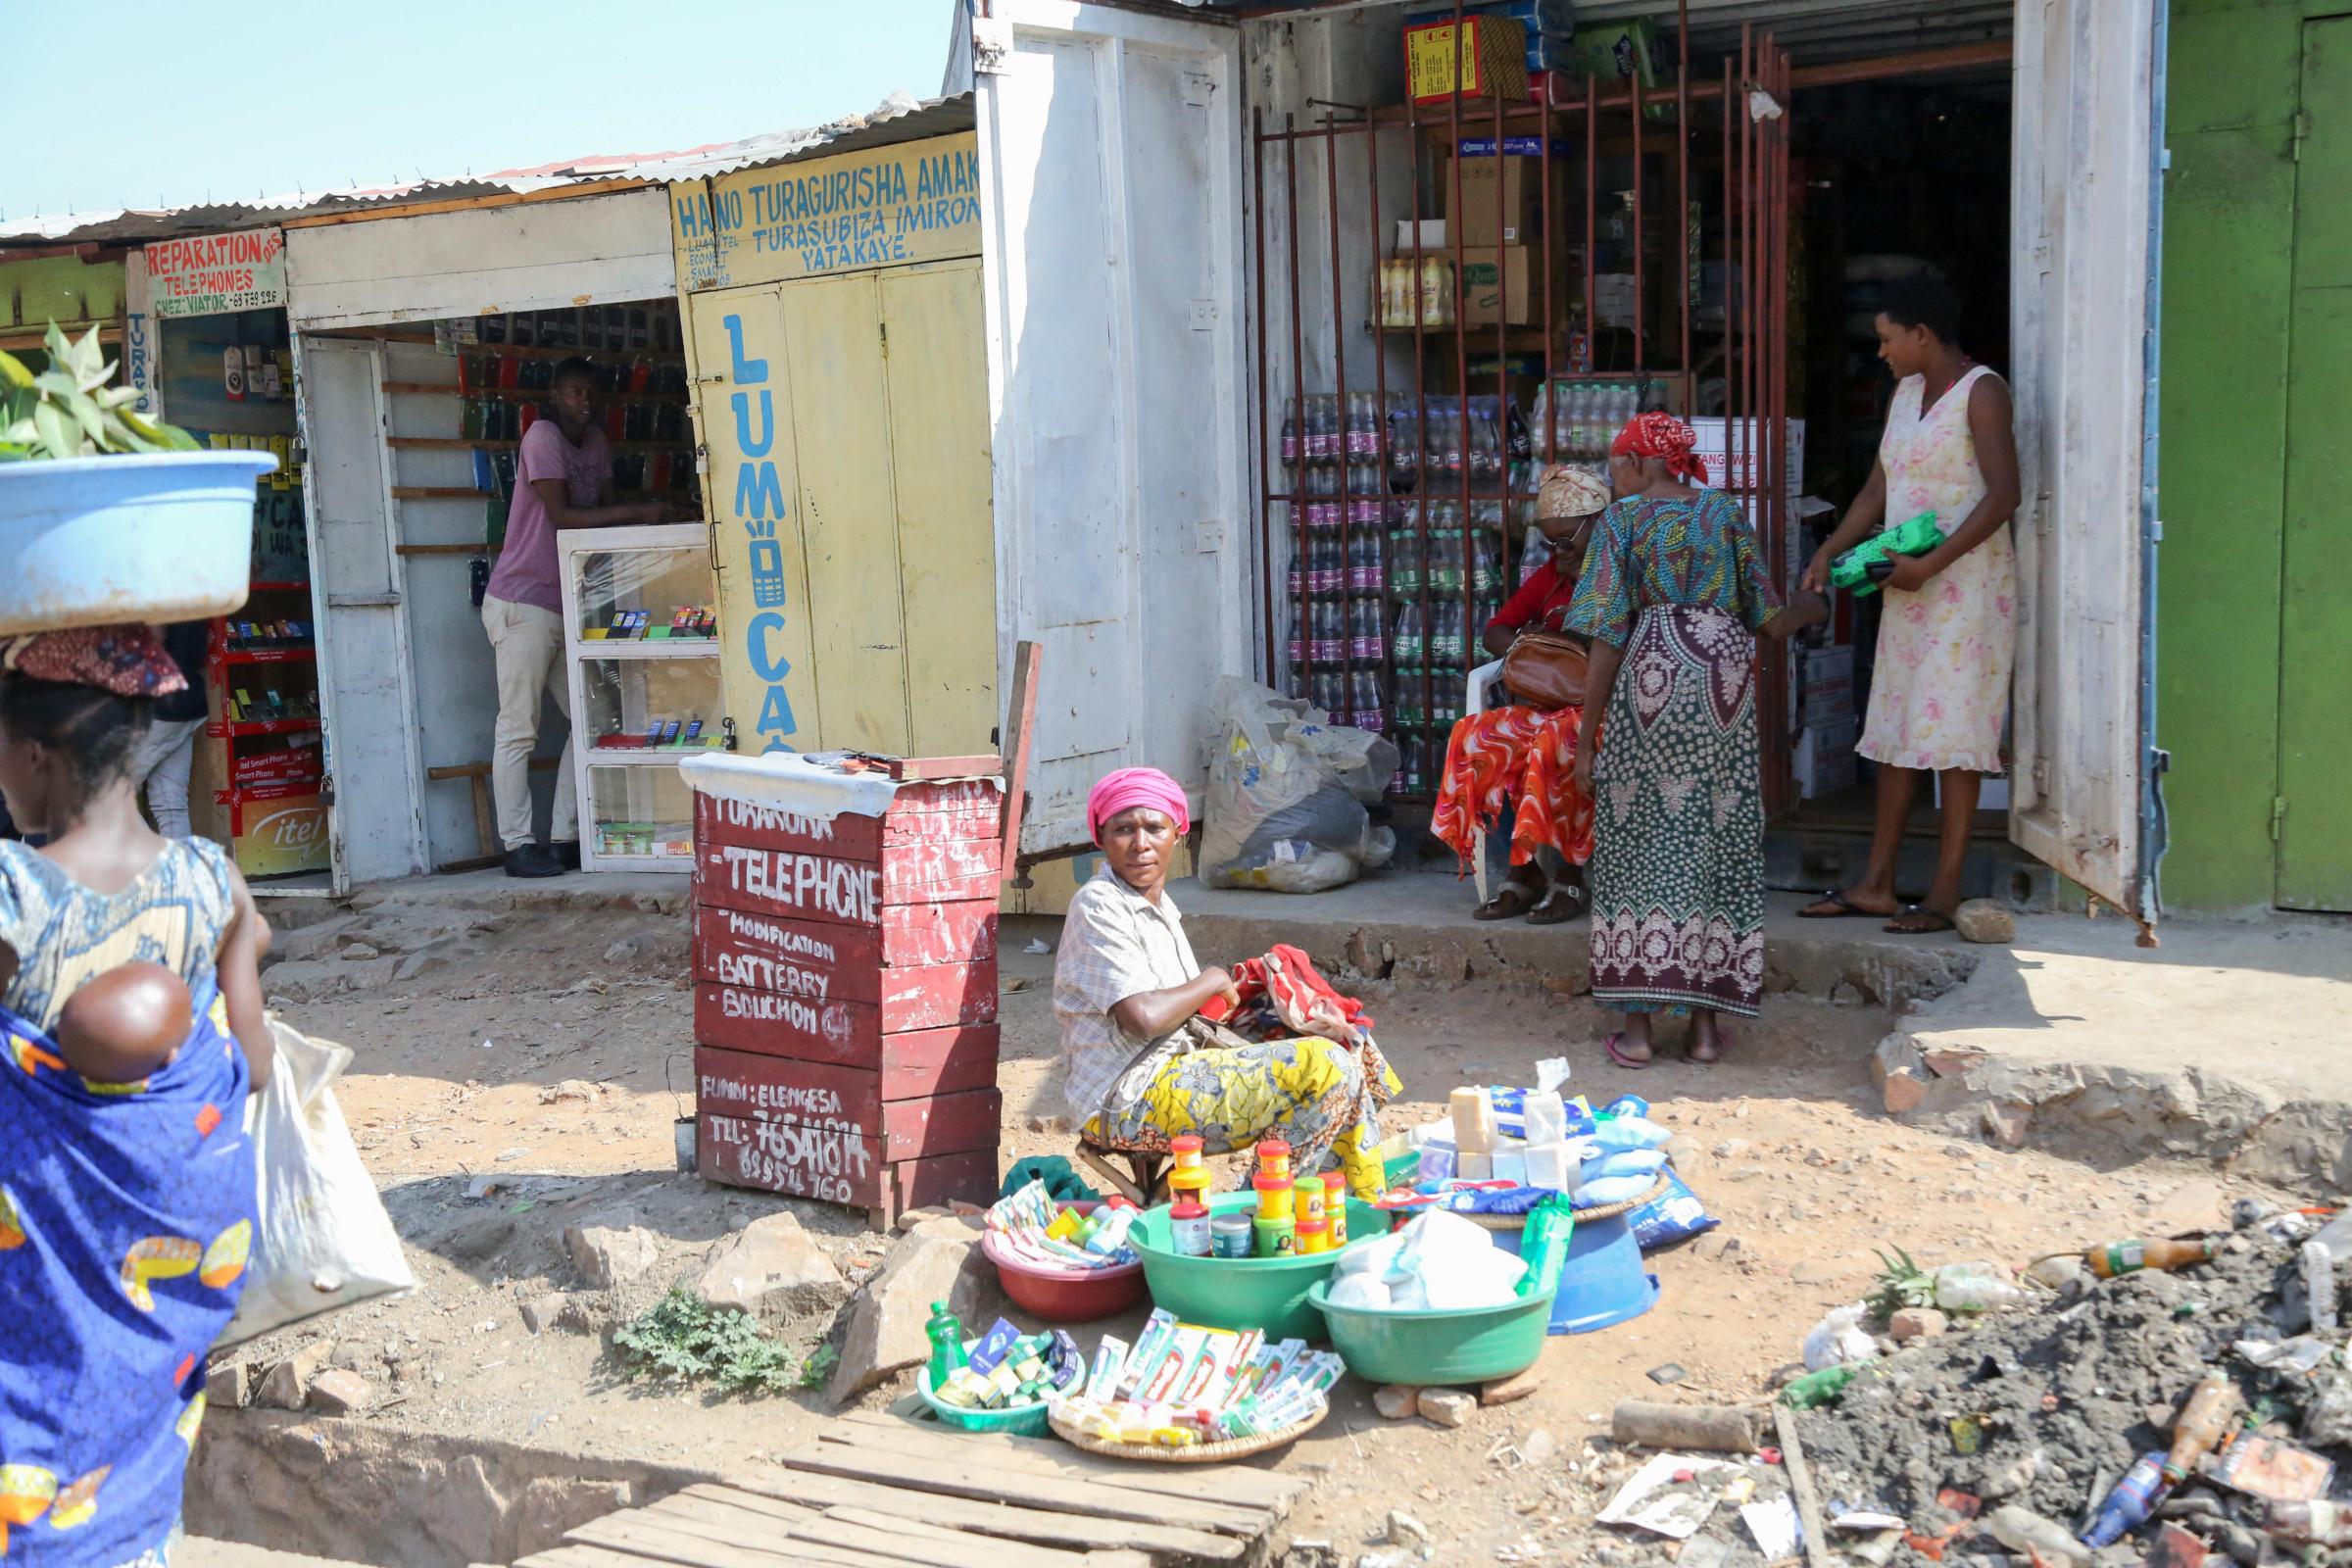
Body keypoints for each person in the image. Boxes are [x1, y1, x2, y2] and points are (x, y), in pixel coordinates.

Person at [0, 623, 274, 1568]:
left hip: (41, 1256)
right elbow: (254, 1063)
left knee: (28, 1429)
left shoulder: (15, 896)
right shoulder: (211, 878)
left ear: (35, 755)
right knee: (126, 1454)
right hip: (163, 1265)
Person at [1566, 415, 1825, 1066]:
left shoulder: (1623, 522)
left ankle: (1638, 1033)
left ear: (1635, 462)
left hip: (1652, 678)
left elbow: (1604, 634)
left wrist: (1588, 739)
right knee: (1715, 837)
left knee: (1638, 841)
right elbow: (1768, 621)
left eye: (1614, 462)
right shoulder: (1723, 513)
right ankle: (1706, 1033)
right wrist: (1814, 606)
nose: (1612, 474)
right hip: (1721, 685)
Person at [1053, 766, 1397, 1194]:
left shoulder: (1159, 908)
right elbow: (1142, 1018)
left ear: (1176, 834)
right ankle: (1261, 1212)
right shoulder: (1099, 904)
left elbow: (1180, 1011)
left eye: (1154, 828)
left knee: (1348, 1044)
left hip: (1172, 1072)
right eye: (1124, 829)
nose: (1140, 844)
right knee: (1325, 1069)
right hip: (1127, 1096)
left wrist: (1257, 996)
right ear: (1100, 839)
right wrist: (1213, 979)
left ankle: (1344, 1205)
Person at [1797, 276, 2021, 934]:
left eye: (1889, 339)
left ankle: (1946, 893)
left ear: (1922, 334)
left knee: (1955, 739)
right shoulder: (1907, 393)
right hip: (1908, 584)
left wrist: (1932, 564)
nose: (1883, 352)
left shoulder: (1984, 392)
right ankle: (1876, 884)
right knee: (1895, 729)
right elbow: (1877, 486)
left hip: (1966, 590)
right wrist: (1828, 549)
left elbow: (2004, 495)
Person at [481, 357, 668, 880]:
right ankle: (517, 845)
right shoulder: (541, 436)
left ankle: (566, 834)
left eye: (590, 393)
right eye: (574, 393)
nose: (583, 402)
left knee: (593, 720)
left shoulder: (599, 444)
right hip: (523, 600)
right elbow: (564, 520)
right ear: (555, 397)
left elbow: (602, 532)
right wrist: (640, 512)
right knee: (519, 728)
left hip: (570, 601)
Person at [1431, 466, 1609, 923]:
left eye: (1567, 539)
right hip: (1548, 703)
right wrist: (1541, 651)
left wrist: (1582, 601)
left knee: (1559, 741)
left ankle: (1571, 873)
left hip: (1602, 709)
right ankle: (1524, 871)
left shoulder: (1619, 573)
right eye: (1550, 542)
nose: (1559, 551)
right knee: (1478, 737)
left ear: (1600, 525)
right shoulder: (1551, 575)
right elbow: (1495, 632)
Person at [127, 620, 208, 839]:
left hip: (159, 710)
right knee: (171, 806)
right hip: (191, 706)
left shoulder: (156, 602)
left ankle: (150, 860)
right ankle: (180, 871)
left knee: (107, 798)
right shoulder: (195, 604)